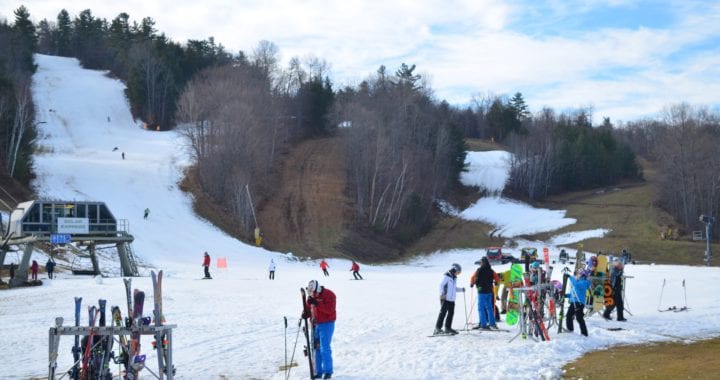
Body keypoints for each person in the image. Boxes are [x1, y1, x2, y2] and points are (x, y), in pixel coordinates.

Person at [303, 280, 336, 379]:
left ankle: (328, 371)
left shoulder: (329, 295)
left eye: (315, 293)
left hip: (327, 323)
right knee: (315, 348)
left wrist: (317, 304)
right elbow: (309, 309)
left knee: (324, 348)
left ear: (318, 289)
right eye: (312, 294)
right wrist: (305, 313)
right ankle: (318, 371)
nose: (314, 295)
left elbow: (330, 310)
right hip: (315, 324)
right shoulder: (312, 297)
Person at [434, 263, 465, 335]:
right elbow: (441, 285)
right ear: (454, 270)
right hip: (445, 298)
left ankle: (448, 328)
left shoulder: (454, 278)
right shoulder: (447, 276)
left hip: (451, 299)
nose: (458, 274)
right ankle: (437, 328)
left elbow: (454, 289)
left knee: (451, 313)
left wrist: (461, 290)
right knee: (443, 313)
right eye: (458, 272)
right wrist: (442, 294)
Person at [471, 257, 499, 329]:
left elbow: (473, 277)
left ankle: (483, 324)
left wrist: (472, 283)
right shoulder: (491, 270)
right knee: (489, 308)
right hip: (489, 291)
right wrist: (496, 282)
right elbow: (497, 278)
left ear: (482, 263)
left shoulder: (479, 270)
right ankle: (492, 324)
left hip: (481, 291)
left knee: (481, 308)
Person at [566, 269, 591, 336]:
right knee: (574, 316)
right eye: (577, 274)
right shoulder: (579, 281)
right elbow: (574, 293)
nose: (577, 275)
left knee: (576, 317)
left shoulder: (584, 282)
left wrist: (570, 277)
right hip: (575, 301)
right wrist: (566, 295)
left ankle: (581, 332)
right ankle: (580, 332)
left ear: (583, 275)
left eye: (579, 274)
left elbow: (576, 285)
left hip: (578, 303)